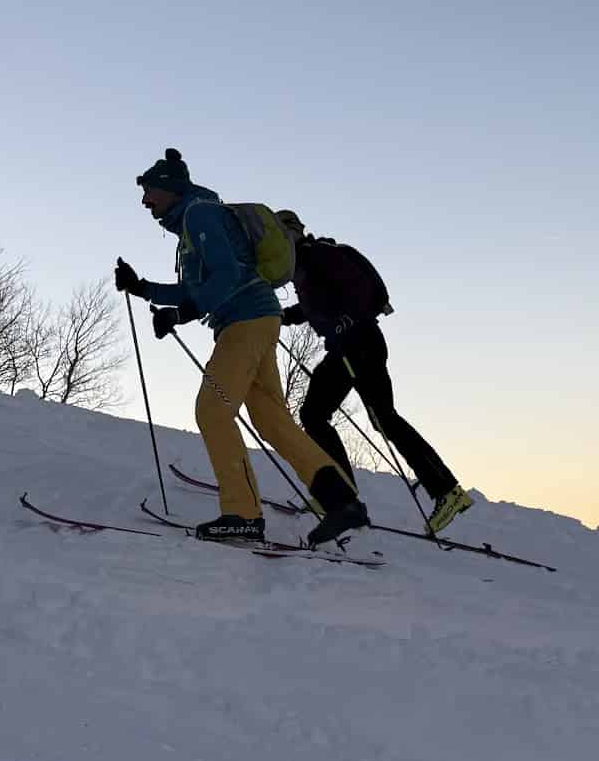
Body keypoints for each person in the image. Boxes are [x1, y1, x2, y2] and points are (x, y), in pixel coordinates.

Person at [116, 149, 367, 546]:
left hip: (245, 322)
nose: (145, 201)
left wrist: (180, 314)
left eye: (150, 191)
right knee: (271, 420)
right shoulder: (195, 222)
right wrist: (143, 288)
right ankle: (342, 501)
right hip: (259, 318)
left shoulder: (199, 215)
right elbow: (199, 287)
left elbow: (227, 276)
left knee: (212, 410)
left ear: (170, 188)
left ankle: (244, 514)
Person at [275, 210, 475, 535]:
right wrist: (284, 316)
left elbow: (354, 290)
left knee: (361, 417)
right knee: (338, 415)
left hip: (358, 342)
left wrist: (347, 323)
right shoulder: (303, 270)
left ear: (298, 231)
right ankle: (347, 494)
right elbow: (316, 307)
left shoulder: (320, 255)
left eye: (286, 232)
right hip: (349, 345)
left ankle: (442, 491)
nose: (283, 240)